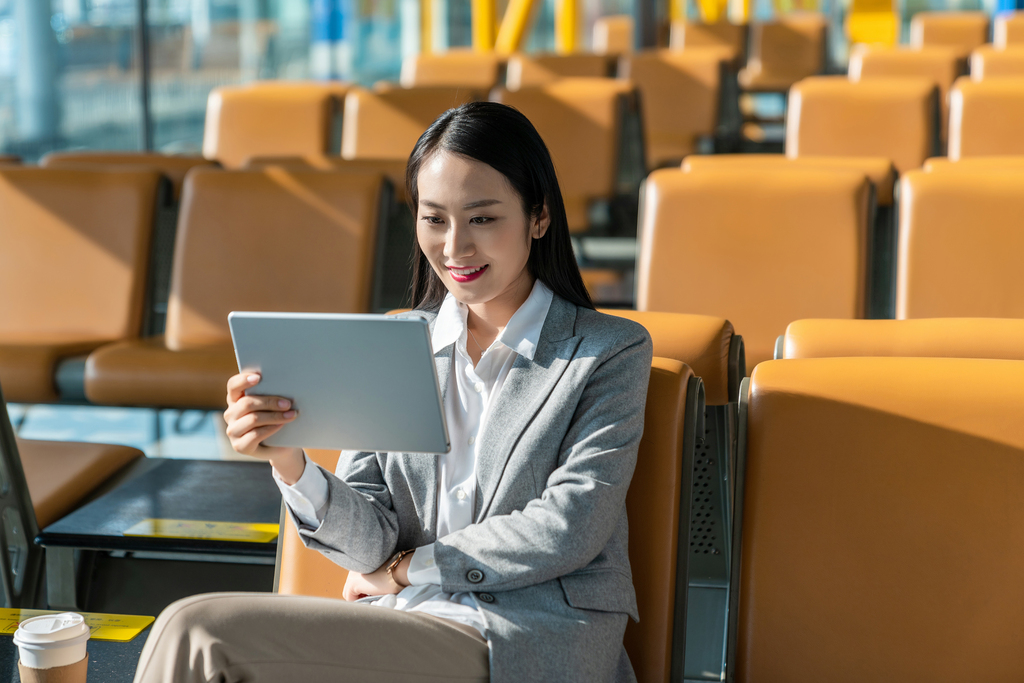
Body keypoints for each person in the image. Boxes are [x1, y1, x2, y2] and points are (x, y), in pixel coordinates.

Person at [132, 102, 652, 683]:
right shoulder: (400, 340)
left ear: (538, 217)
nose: (455, 248)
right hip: (401, 626)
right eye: (435, 219)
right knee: (192, 629)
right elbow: (367, 546)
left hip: (524, 641)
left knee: (199, 632)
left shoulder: (607, 351)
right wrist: (288, 459)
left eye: (482, 219)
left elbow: (568, 527)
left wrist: (408, 570)